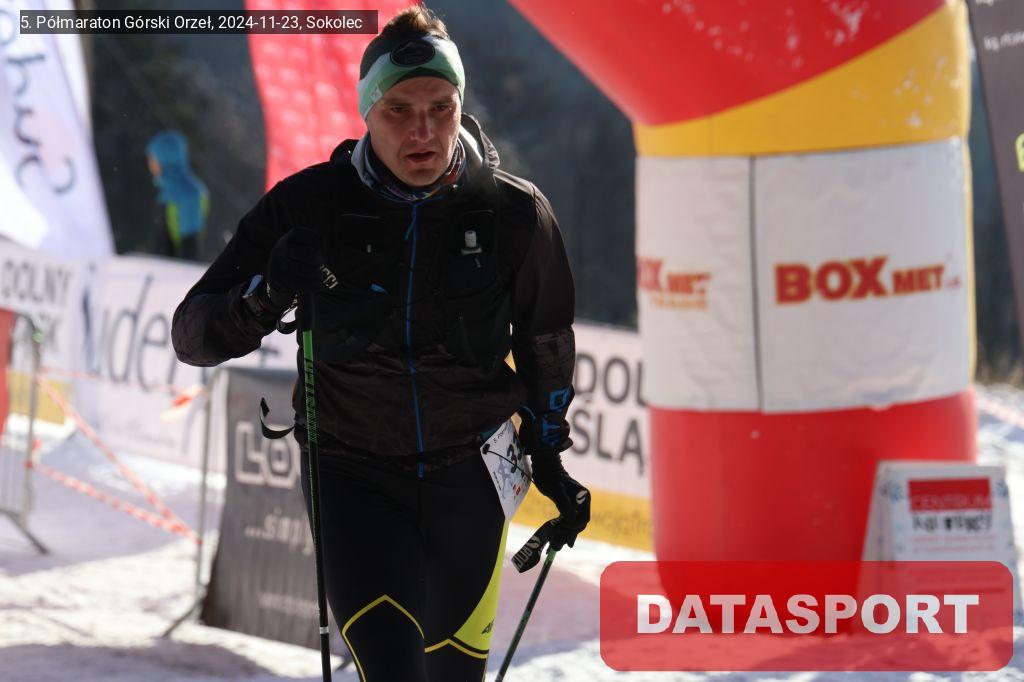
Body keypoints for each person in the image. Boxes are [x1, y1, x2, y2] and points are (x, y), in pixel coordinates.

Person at [171, 7, 589, 681]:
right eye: (399, 110)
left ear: (460, 105)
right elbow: (192, 336)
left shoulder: (513, 213)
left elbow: (546, 342)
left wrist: (549, 454)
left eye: (441, 107)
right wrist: (265, 295)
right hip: (353, 474)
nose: (423, 130)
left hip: (470, 477)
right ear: (367, 111)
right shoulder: (310, 205)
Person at [146, 130, 209, 260]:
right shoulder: (166, 191)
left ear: (165, 158)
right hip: (163, 268)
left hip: (177, 270)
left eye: (152, 157)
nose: (149, 163)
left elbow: (190, 246)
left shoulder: (189, 193)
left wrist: (177, 269)